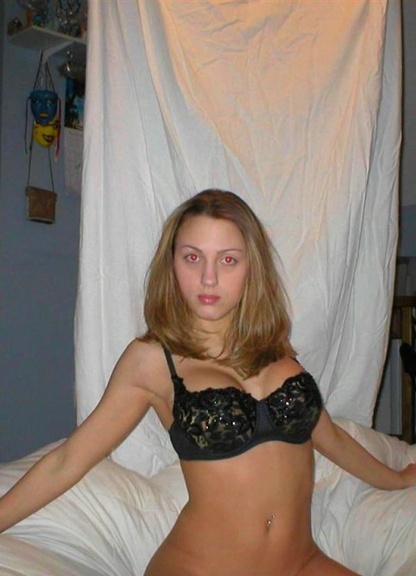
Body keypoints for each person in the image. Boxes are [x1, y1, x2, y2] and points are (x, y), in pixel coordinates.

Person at [0, 189, 416, 576]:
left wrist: (395, 479)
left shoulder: (276, 349)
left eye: (228, 260)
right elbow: (67, 460)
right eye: (192, 257)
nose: (209, 278)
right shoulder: (151, 360)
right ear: (171, 264)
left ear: (252, 267)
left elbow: (330, 437)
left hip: (302, 563)